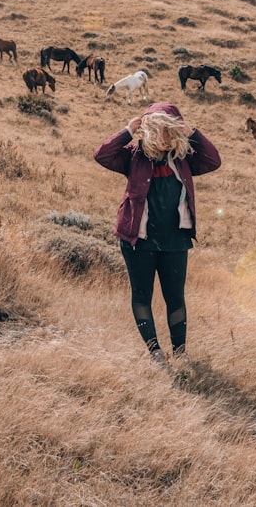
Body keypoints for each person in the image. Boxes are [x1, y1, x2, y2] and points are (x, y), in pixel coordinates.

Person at [94, 101, 221, 368]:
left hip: (175, 241)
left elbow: (213, 160)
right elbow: (102, 155)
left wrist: (192, 133)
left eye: (169, 131)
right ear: (149, 131)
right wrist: (127, 131)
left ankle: (180, 353)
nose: (164, 138)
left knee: (175, 297)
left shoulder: (185, 158)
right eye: (159, 131)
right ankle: (155, 353)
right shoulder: (133, 155)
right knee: (142, 295)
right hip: (137, 240)